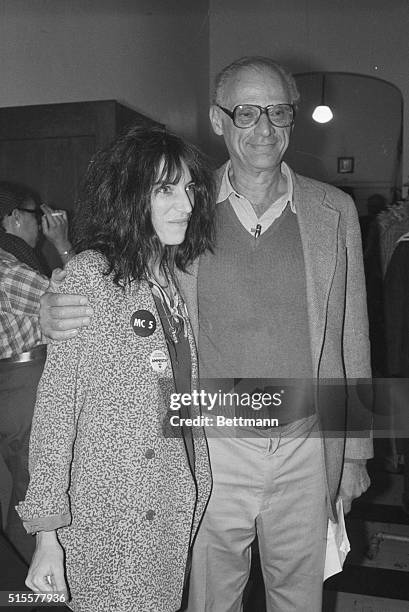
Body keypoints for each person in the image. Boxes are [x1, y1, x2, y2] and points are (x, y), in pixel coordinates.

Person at [39, 57, 372, 612]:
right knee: (212, 598)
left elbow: (352, 335)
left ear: (292, 120)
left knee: (301, 597)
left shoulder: (334, 211)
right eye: (246, 112)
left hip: (307, 443)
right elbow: (120, 271)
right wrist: (58, 301)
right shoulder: (187, 209)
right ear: (218, 120)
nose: (264, 128)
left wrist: (356, 453)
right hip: (212, 439)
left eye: (278, 111)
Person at [17, 125, 214, 612]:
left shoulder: (169, 275)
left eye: (189, 188)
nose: (186, 204)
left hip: (171, 498)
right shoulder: (93, 274)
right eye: (165, 189)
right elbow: (57, 407)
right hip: (114, 512)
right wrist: (46, 533)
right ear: (128, 195)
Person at [0, 181, 73, 562]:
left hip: (11, 387)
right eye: (34, 215)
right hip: (24, 386)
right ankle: (32, 591)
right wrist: (62, 242)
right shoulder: (8, 268)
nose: (40, 223)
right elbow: (79, 303)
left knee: (16, 493)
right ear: (12, 218)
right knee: (34, 494)